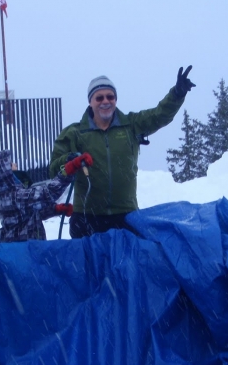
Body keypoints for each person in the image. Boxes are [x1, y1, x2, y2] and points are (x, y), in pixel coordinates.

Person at [48, 66, 195, 238]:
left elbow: (159, 115)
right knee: (90, 257)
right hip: (87, 217)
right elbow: (54, 171)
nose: (105, 101)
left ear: (115, 100)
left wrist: (177, 94)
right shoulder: (74, 133)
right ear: (90, 101)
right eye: (99, 97)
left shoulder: (131, 125)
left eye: (110, 96)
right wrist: (69, 160)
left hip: (126, 215)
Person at [0, 149, 93, 242]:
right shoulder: (16, 196)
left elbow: (30, 214)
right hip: (25, 253)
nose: (15, 164)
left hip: (23, 250)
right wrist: (69, 170)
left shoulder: (8, 194)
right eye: (11, 164)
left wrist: (55, 209)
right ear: (4, 173)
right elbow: (48, 193)